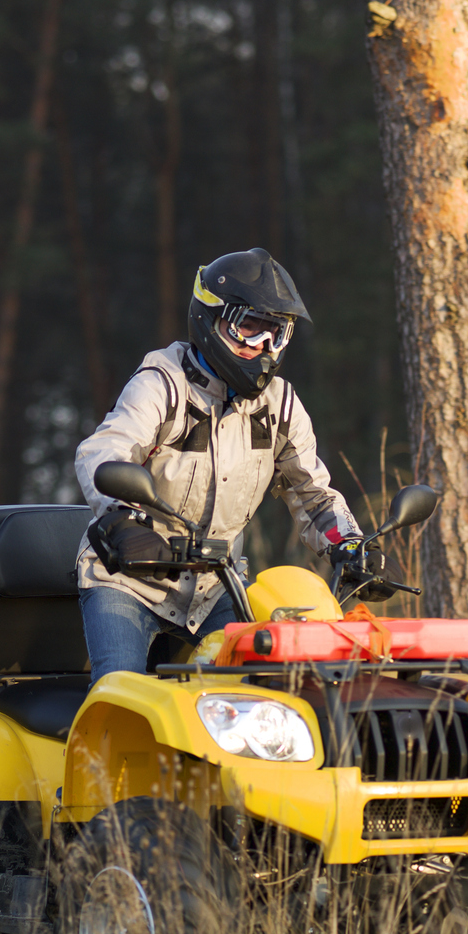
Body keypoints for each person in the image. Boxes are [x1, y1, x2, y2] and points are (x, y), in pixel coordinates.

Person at [74, 248, 377, 682]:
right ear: (209, 319)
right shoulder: (163, 384)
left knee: (257, 690)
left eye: (276, 334)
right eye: (249, 328)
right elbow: (103, 452)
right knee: (119, 694)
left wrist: (350, 546)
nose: (263, 347)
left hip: (215, 587)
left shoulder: (281, 405)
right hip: (129, 580)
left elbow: (313, 495)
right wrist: (123, 521)